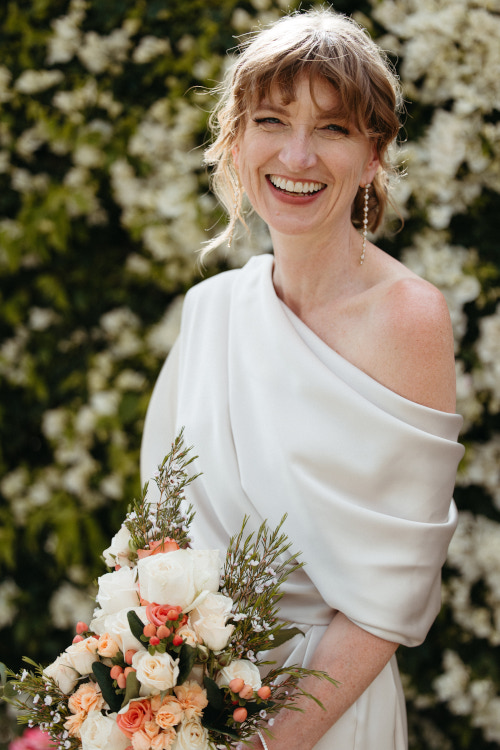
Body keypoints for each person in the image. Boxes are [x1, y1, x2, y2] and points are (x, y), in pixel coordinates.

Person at [141, 9, 464, 750]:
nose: (296, 155)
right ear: (235, 139)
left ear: (374, 152)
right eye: (271, 120)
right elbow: (157, 541)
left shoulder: (410, 319)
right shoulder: (210, 311)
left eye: (333, 129)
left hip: (328, 716)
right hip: (184, 710)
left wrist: (266, 743)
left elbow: (390, 597)